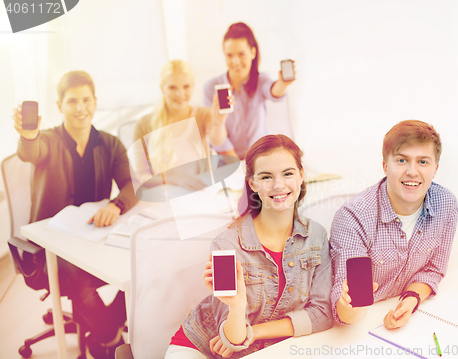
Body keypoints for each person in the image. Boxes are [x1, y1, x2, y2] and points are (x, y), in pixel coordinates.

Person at [164, 135, 333, 358]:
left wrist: (255, 332)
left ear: (301, 175)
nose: (278, 185)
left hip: (261, 347)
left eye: (288, 173)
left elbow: (322, 314)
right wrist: (237, 305)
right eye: (266, 177)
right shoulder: (228, 245)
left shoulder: (316, 236)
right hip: (203, 346)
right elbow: (233, 341)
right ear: (252, 182)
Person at [12, 71, 139, 358]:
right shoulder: (47, 141)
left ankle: (107, 329)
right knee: (80, 282)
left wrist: (115, 205)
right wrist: (28, 135)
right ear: (59, 105)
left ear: (95, 102)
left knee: (140, 264)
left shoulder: (110, 144)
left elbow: (131, 185)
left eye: (86, 100)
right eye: (72, 101)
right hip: (51, 247)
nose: (80, 108)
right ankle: (109, 339)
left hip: (95, 237)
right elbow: (30, 152)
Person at [330, 120, 458, 330]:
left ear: (435, 169)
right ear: (385, 166)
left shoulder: (446, 204)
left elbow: (433, 270)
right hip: (360, 325)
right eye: (402, 160)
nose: (412, 172)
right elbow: (345, 307)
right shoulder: (353, 217)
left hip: (410, 322)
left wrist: (410, 300)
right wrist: (350, 305)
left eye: (423, 162)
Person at [132, 60, 232, 191]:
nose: (180, 94)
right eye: (172, 87)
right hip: (164, 196)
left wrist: (219, 120)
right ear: (162, 88)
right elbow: (141, 175)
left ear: (193, 87)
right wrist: (174, 180)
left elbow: (217, 141)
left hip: (199, 192)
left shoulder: (202, 115)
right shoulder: (144, 124)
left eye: (186, 87)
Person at [204, 22, 296, 160]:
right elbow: (214, 135)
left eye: (241, 54)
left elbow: (273, 91)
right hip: (230, 161)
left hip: (263, 157)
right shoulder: (212, 87)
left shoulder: (261, 80)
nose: (235, 61)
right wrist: (237, 166)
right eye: (229, 55)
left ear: (253, 52)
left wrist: (283, 83)